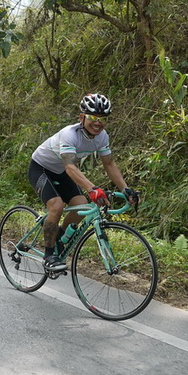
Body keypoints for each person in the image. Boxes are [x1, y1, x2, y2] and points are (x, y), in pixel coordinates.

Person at [28, 93, 140, 272]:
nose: (98, 123)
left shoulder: (102, 137)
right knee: (56, 206)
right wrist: (92, 188)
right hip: (41, 168)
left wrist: (125, 189)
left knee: (82, 205)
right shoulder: (69, 134)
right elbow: (70, 167)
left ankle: (58, 238)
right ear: (82, 117)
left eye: (103, 119)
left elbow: (109, 164)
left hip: (61, 172)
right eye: (93, 118)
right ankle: (49, 256)